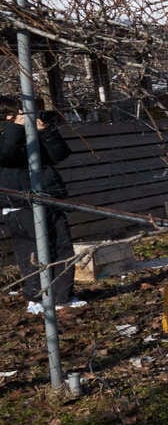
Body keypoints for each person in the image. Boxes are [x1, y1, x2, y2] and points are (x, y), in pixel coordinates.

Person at [0, 95, 84, 314]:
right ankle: (36, 298)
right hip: (20, 201)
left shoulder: (30, 132)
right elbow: (6, 155)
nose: (19, 117)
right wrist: (16, 128)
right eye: (13, 113)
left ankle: (62, 297)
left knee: (62, 247)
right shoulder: (8, 135)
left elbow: (60, 154)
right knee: (31, 252)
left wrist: (45, 130)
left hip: (48, 195)